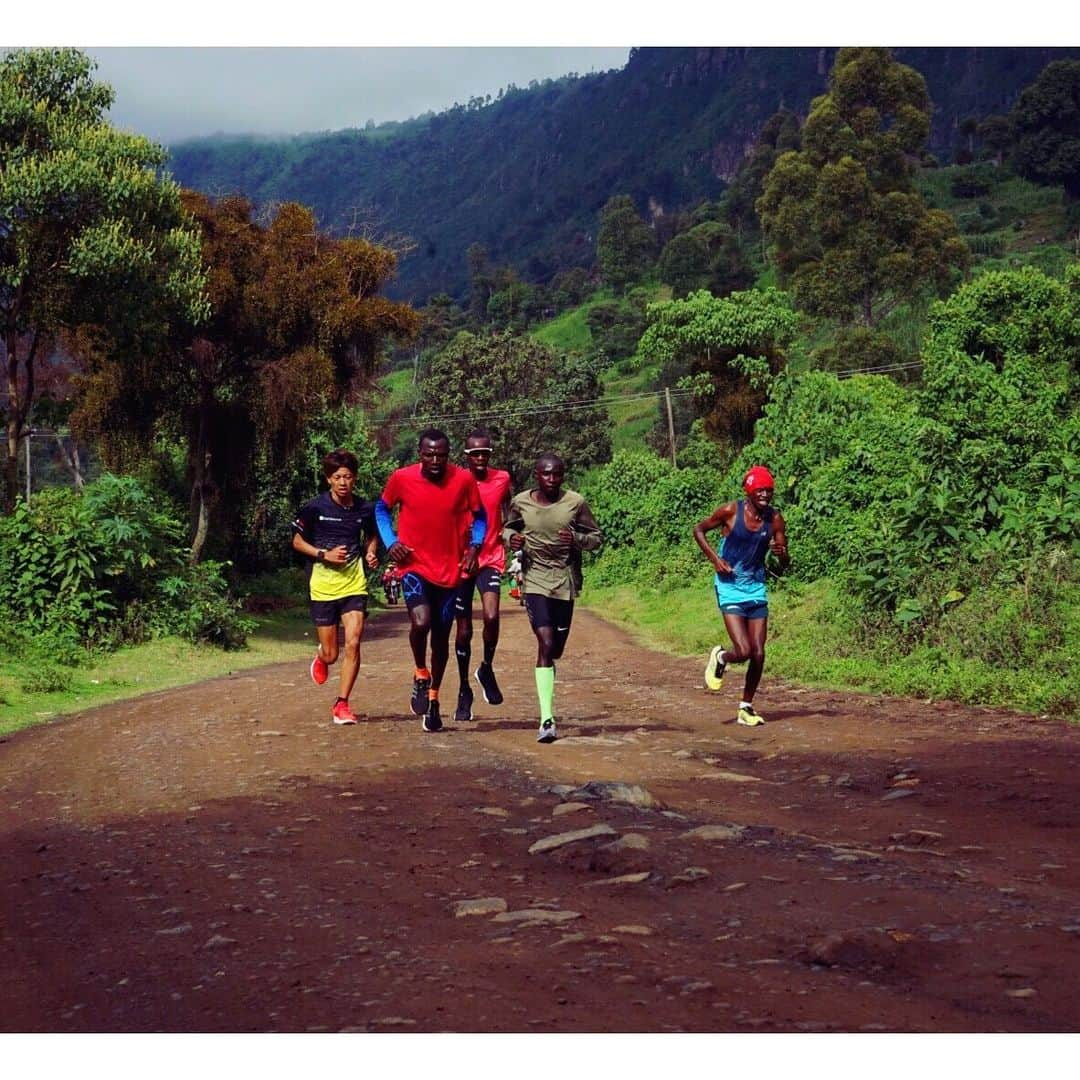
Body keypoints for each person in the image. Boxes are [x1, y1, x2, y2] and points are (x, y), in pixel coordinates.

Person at [375, 429, 486, 733]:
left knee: (441, 639)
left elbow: (481, 517)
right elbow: (381, 509)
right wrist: (389, 540)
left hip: (450, 572)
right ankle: (420, 672)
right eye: (429, 454)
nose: (435, 460)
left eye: (441, 455)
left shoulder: (463, 479)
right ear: (419, 453)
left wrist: (474, 548)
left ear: (448, 454)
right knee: (420, 622)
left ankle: (434, 699)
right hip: (413, 565)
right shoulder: (402, 478)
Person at [505, 452, 603, 743]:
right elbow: (508, 528)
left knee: (556, 649)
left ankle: (548, 676)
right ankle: (546, 718)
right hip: (534, 580)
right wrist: (512, 539)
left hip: (564, 582)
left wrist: (576, 539)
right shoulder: (521, 501)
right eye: (546, 474)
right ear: (537, 474)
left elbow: (596, 537)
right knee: (545, 642)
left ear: (562, 475)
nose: (551, 479)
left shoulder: (575, 502)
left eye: (556, 474)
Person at [693, 465, 789, 727]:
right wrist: (715, 559)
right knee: (744, 650)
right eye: (759, 491)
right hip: (729, 586)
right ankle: (721, 657)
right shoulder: (730, 511)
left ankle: (745, 707)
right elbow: (698, 530)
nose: (765, 496)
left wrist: (781, 554)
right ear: (748, 491)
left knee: (758, 653)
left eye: (768, 491)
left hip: (756, 587)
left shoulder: (775, 520)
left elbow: (784, 562)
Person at [291, 448, 380, 725]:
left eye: (348, 477)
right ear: (328, 479)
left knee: (354, 641)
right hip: (323, 585)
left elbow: (373, 534)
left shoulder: (365, 508)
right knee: (332, 653)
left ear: (355, 479)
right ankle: (321, 657)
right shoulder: (314, 508)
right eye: (338, 477)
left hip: (354, 583)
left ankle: (342, 704)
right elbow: (296, 541)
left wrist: (371, 551)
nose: (343, 482)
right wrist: (323, 554)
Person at [452, 429, 512, 722]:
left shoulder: (502, 479)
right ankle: (464, 690)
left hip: (490, 557)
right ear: (466, 457)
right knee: (463, 631)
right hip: (462, 561)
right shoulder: (456, 481)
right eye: (474, 454)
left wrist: (511, 533)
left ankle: (486, 666)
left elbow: (511, 510)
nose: (479, 458)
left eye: (484, 454)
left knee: (491, 616)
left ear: (489, 455)